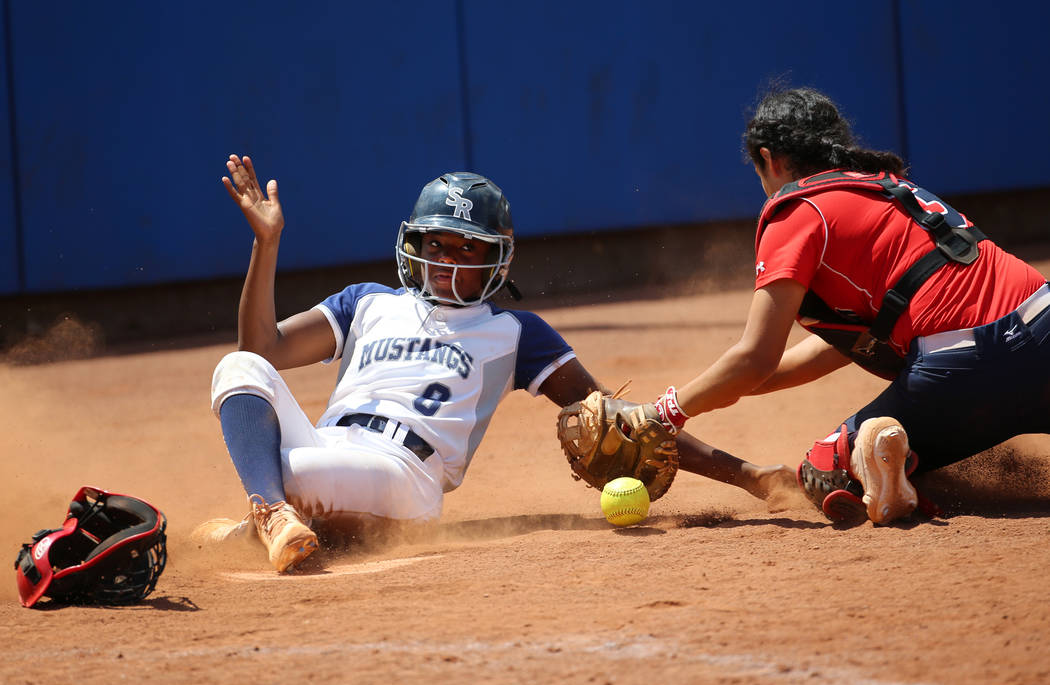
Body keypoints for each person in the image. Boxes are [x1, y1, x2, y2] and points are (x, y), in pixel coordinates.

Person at [194, 155, 791, 573]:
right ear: (413, 244)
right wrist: (265, 244)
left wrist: (749, 476)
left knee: (298, 474)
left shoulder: (514, 332)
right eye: (437, 244)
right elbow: (263, 350)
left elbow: (623, 422)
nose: (448, 260)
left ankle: (259, 520)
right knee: (236, 367)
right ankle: (272, 515)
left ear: (498, 258)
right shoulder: (367, 302)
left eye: (467, 248)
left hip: (403, 474)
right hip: (325, 446)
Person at [648, 87, 1050, 526]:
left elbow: (755, 356)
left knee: (824, 471)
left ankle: (876, 465)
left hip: (967, 364)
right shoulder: (885, 186)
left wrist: (663, 412)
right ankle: (892, 464)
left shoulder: (797, 211)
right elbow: (841, 346)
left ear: (771, 158)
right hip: (1042, 321)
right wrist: (723, 388)